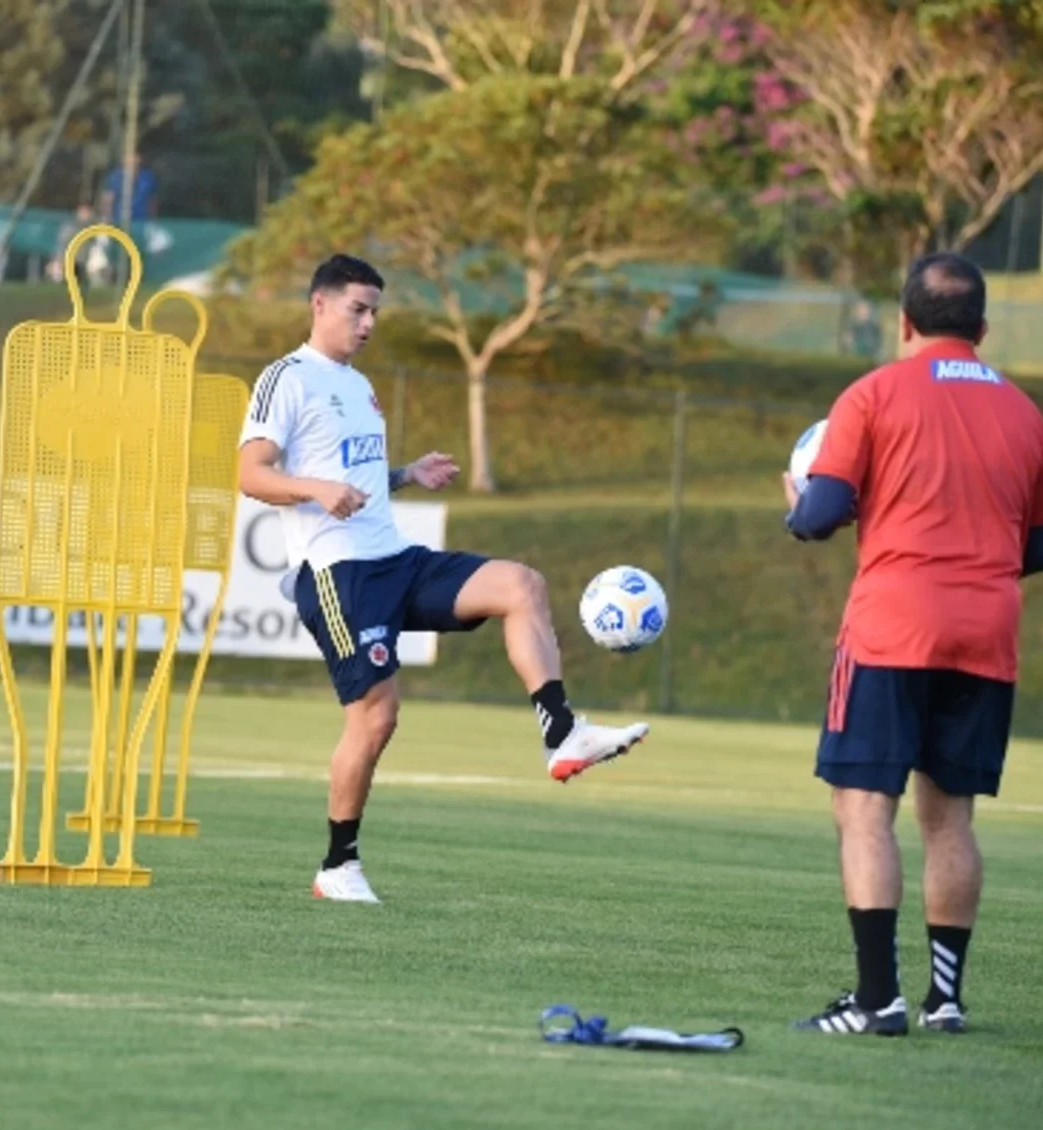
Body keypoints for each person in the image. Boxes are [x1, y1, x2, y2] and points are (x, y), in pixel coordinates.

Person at [237, 254, 649, 904]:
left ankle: (561, 734)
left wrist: (405, 473)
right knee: (376, 718)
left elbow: (355, 476)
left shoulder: (355, 384)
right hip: (338, 575)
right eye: (358, 308)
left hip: (395, 558)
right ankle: (337, 867)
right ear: (319, 305)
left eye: (376, 310)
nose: (370, 322)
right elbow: (251, 473)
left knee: (521, 585)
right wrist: (313, 487)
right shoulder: (286, 378)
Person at [783, 253, 1043, 1036]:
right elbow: (1038, 552)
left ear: (905, 323)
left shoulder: (873, 393)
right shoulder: (1025, 413)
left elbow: (823, 512)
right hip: (988, 632)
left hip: (893, 624)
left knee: (864, 808)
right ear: (983, 328)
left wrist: (797, 507)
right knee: (950, 819)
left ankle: (877, 1001)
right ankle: (945, 1000)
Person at [100, 152, 158, 240]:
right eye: (128, 157)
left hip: (142, 223)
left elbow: (153, 201)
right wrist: (108, 221)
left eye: (134, 156)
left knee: (161, 244)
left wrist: (151, 221)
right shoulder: (115, 177)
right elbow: (107, 200)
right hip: (118, 222)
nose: (132, 160)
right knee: (102, 242)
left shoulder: (148, 177)